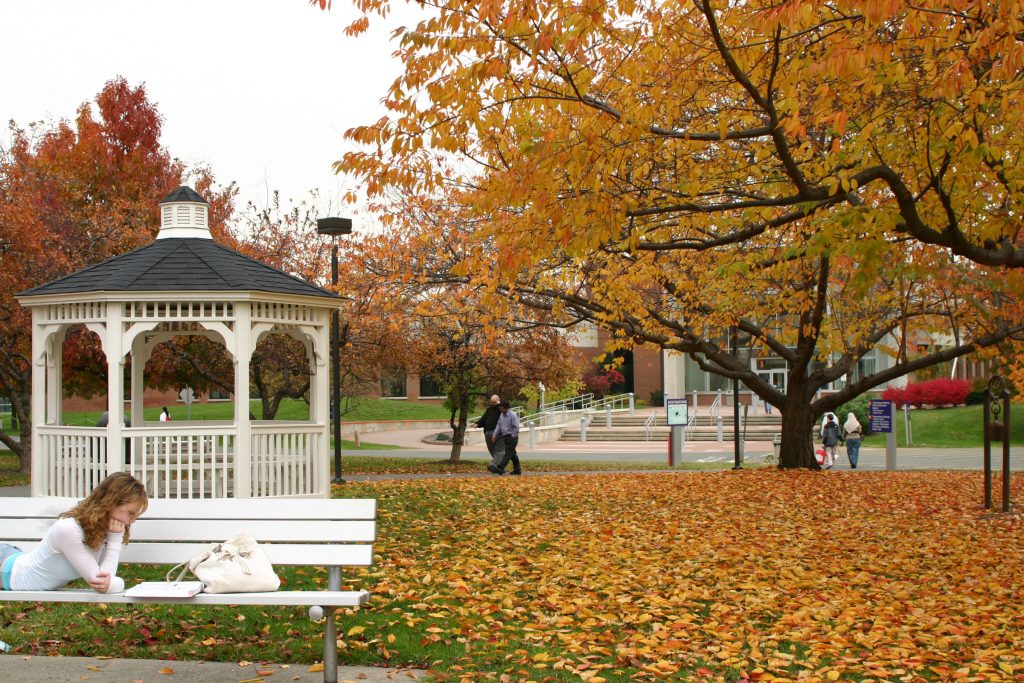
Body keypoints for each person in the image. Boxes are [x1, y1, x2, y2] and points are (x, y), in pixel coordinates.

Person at [0, 473, 147, 594]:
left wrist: (113, 538)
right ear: (110, 503)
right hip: (6, 569)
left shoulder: (102, 530)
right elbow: (101, 583)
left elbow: (105, 582)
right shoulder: (69, 529)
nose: (132, 520)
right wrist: (119, 581)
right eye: (130, 513)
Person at [489, 401, 522, 475]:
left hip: (512, 437)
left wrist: (513, 436)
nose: (501, 411)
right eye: (500, 409)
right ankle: (517, 470)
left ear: (507, 408)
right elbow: (499, 425)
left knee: (507, 454)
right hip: (505, 437)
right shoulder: (501, 415)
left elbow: (516, 427)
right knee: (512, 454)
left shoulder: (513, 415)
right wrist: (494, 435)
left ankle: (500, 467)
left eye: (502, 409)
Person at [475, 395, 502, 470]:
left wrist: (499, 404)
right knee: (492, 449)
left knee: (499, 450)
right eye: (491, 402)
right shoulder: (489, 409)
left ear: (498, 401)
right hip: (488, 433)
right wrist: (477, 424)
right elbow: (484, 418)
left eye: (494, 402)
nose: (492, 404)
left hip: (497, 433)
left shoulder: (500, 408)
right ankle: (498, 466)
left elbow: (505, 408)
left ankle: (494, 465)